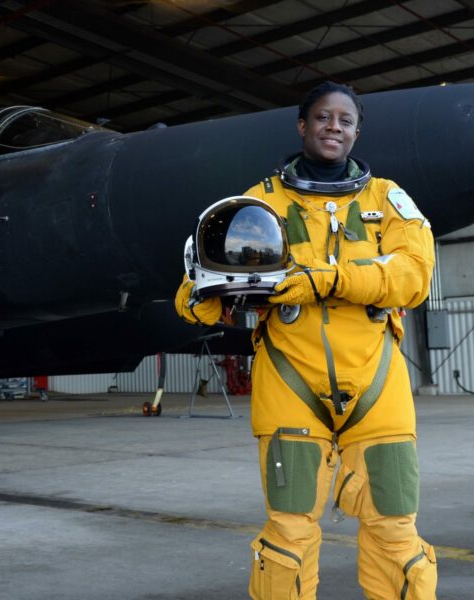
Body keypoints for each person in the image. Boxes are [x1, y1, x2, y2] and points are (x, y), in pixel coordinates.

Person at [175, 81, 438, 599]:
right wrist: (204, 297)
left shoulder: (388, 198)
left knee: (395, 532)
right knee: (288, 533)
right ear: (303, 125)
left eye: (345, 120)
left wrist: (327, 279)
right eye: (323, 117)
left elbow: (414, 274)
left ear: (357, 131)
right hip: (290, 381)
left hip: (377, 385)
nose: (333, 127)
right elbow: (201, 282)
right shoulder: (258, 203)